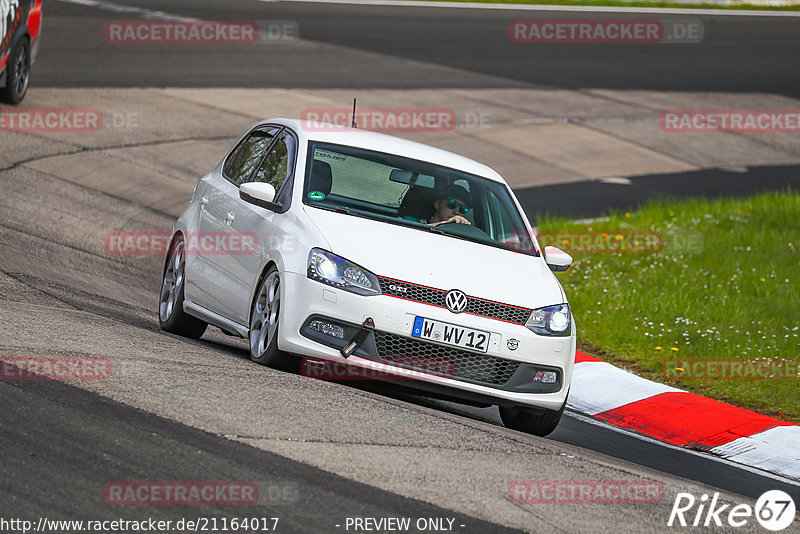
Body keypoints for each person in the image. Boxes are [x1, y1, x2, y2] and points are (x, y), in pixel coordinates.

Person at [401, 183, 472, 226]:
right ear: (437, 204)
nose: (456, 212)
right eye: (452, 204)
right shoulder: (410, 221)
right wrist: (445, 224)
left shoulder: (461, 232)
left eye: (463, 209)